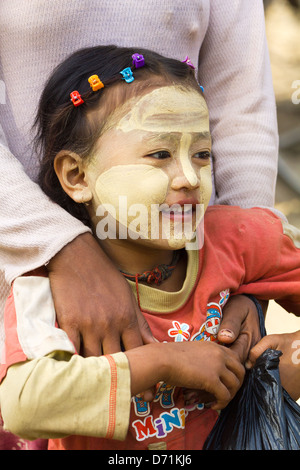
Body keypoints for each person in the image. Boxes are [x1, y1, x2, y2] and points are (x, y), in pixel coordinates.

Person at [0, 1, 279, 448]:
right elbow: (25, 404)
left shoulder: (237, 242)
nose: (189, 177)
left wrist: (272, 338)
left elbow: (242, 107)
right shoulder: (39, 289)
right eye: (160, 155)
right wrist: (163, 362)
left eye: (203, 155)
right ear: (75, 175)